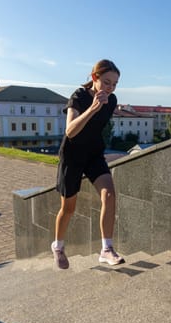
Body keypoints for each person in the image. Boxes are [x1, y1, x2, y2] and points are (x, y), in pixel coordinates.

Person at [52, 59, 124, 269]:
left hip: (93, 154)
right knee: (68, 208)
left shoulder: (111, 101)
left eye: (115, 84)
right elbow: (70, 131)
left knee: (109, 194)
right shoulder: (79, 97)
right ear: (95, 78)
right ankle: (57, 246)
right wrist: (93, 108)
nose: (111, 88)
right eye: (107, 82)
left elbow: (95, 129)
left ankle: (106, 249)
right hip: (72, 156)